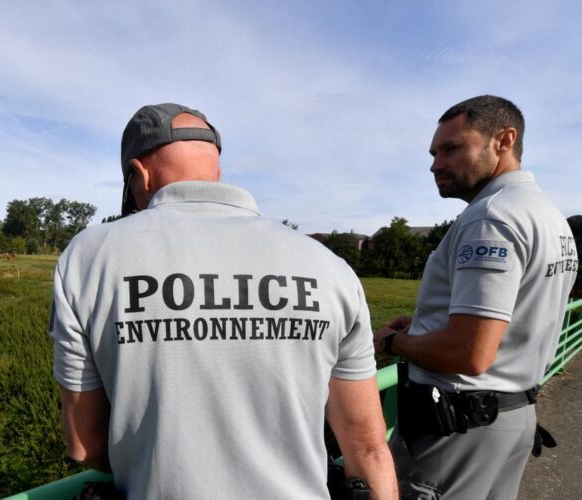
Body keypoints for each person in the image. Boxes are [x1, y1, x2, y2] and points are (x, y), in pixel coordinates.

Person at [50, 102, 397, 499]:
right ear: (215, 169)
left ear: (139, 175)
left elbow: (83, 444)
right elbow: (368, 448)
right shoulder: (330, 267)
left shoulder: (87, 257)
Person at [373, 95, 578, 499]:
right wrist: (430, 326)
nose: (435, 164)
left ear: (503, 140)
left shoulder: (492, 217)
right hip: (512, 416)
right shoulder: (548, 215)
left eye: (452, 148)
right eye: (434, 153)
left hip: (458, 429)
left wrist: (393, 343)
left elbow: (469, 353)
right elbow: (515, 314)